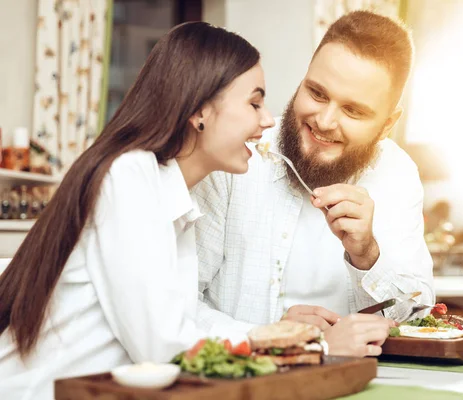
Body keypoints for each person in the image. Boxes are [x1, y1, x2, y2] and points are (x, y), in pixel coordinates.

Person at [0, 22, 274, 399]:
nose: (267, 120)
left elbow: (179, 324)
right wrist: (275, 344)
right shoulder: (128, 175)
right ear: (200, 111)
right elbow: (162, 346)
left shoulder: (173, 197)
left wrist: (274, 334)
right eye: (254, 103)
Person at [192, 11, 434, 358]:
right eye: (317, 93)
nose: (323, 121)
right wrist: (271, 337)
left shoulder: (396, 173)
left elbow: (419, 316)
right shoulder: (235, 156)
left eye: (353, 111)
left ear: (387, 124)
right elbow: (174, 304)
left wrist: (367, 255)